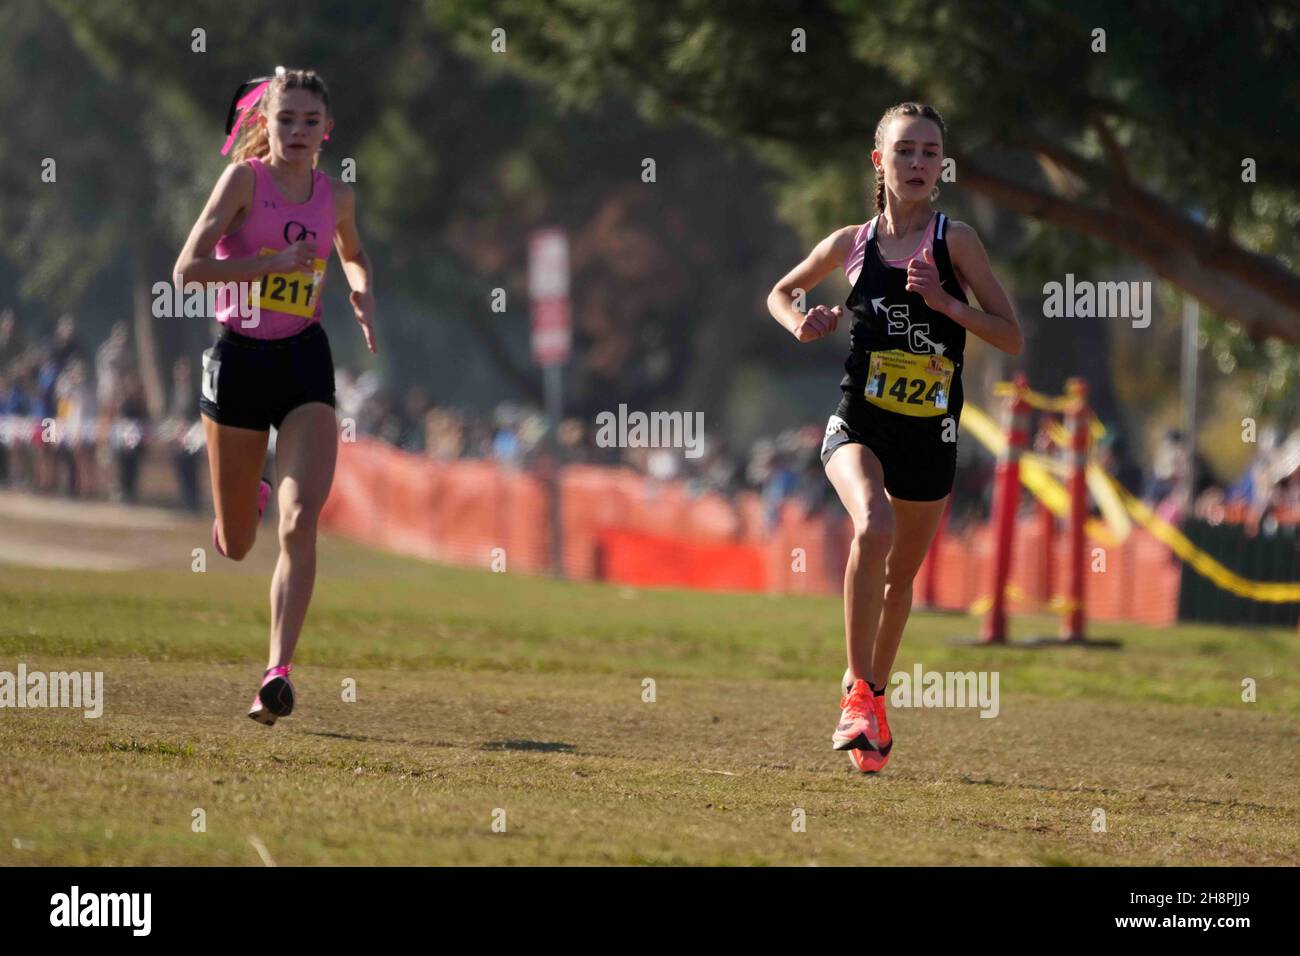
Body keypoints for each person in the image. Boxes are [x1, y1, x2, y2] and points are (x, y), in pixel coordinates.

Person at [766, 102, 1022, 773]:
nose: (917, 163)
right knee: (871, 527)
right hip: (859, 421)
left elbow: (1010, 334)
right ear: (878, 161)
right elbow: (781, 291)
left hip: (931, 433)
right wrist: (801, 322)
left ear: (941, 166)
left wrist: (946, 304)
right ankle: (858, 692)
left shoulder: (954, 241)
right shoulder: (850, 243)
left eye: (930, 153)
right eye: (904, 150)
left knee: (900, 582)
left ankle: (873, 700)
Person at [173, 67, 377, 726]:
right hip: (237, 361)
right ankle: (249, 494)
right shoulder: (243, 183)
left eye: (309, 122)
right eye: (285, 120)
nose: (296, 132)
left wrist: (359, 285)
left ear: (328, 130)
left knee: (299, 521)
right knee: (235, 542)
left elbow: (352, 250)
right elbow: (187, 270)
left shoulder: (335, 197)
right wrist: (265, 266)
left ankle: (276, 675)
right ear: (267, 124)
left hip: (303, 362)